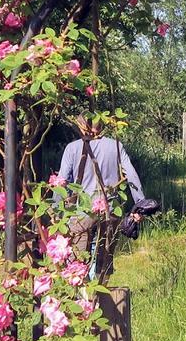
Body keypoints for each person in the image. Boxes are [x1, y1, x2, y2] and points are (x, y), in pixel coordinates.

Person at [55, 115, 145, 275]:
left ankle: (84, 298)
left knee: (77, 262)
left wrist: (56, 214)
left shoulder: (73, 148)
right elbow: (131, 174)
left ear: (81, 126)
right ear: (102, 127)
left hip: (82, 212)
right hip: (111, 210)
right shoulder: (116, 146)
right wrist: (140, 204)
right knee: (105, 261)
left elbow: (61, 182)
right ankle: (102, 297)